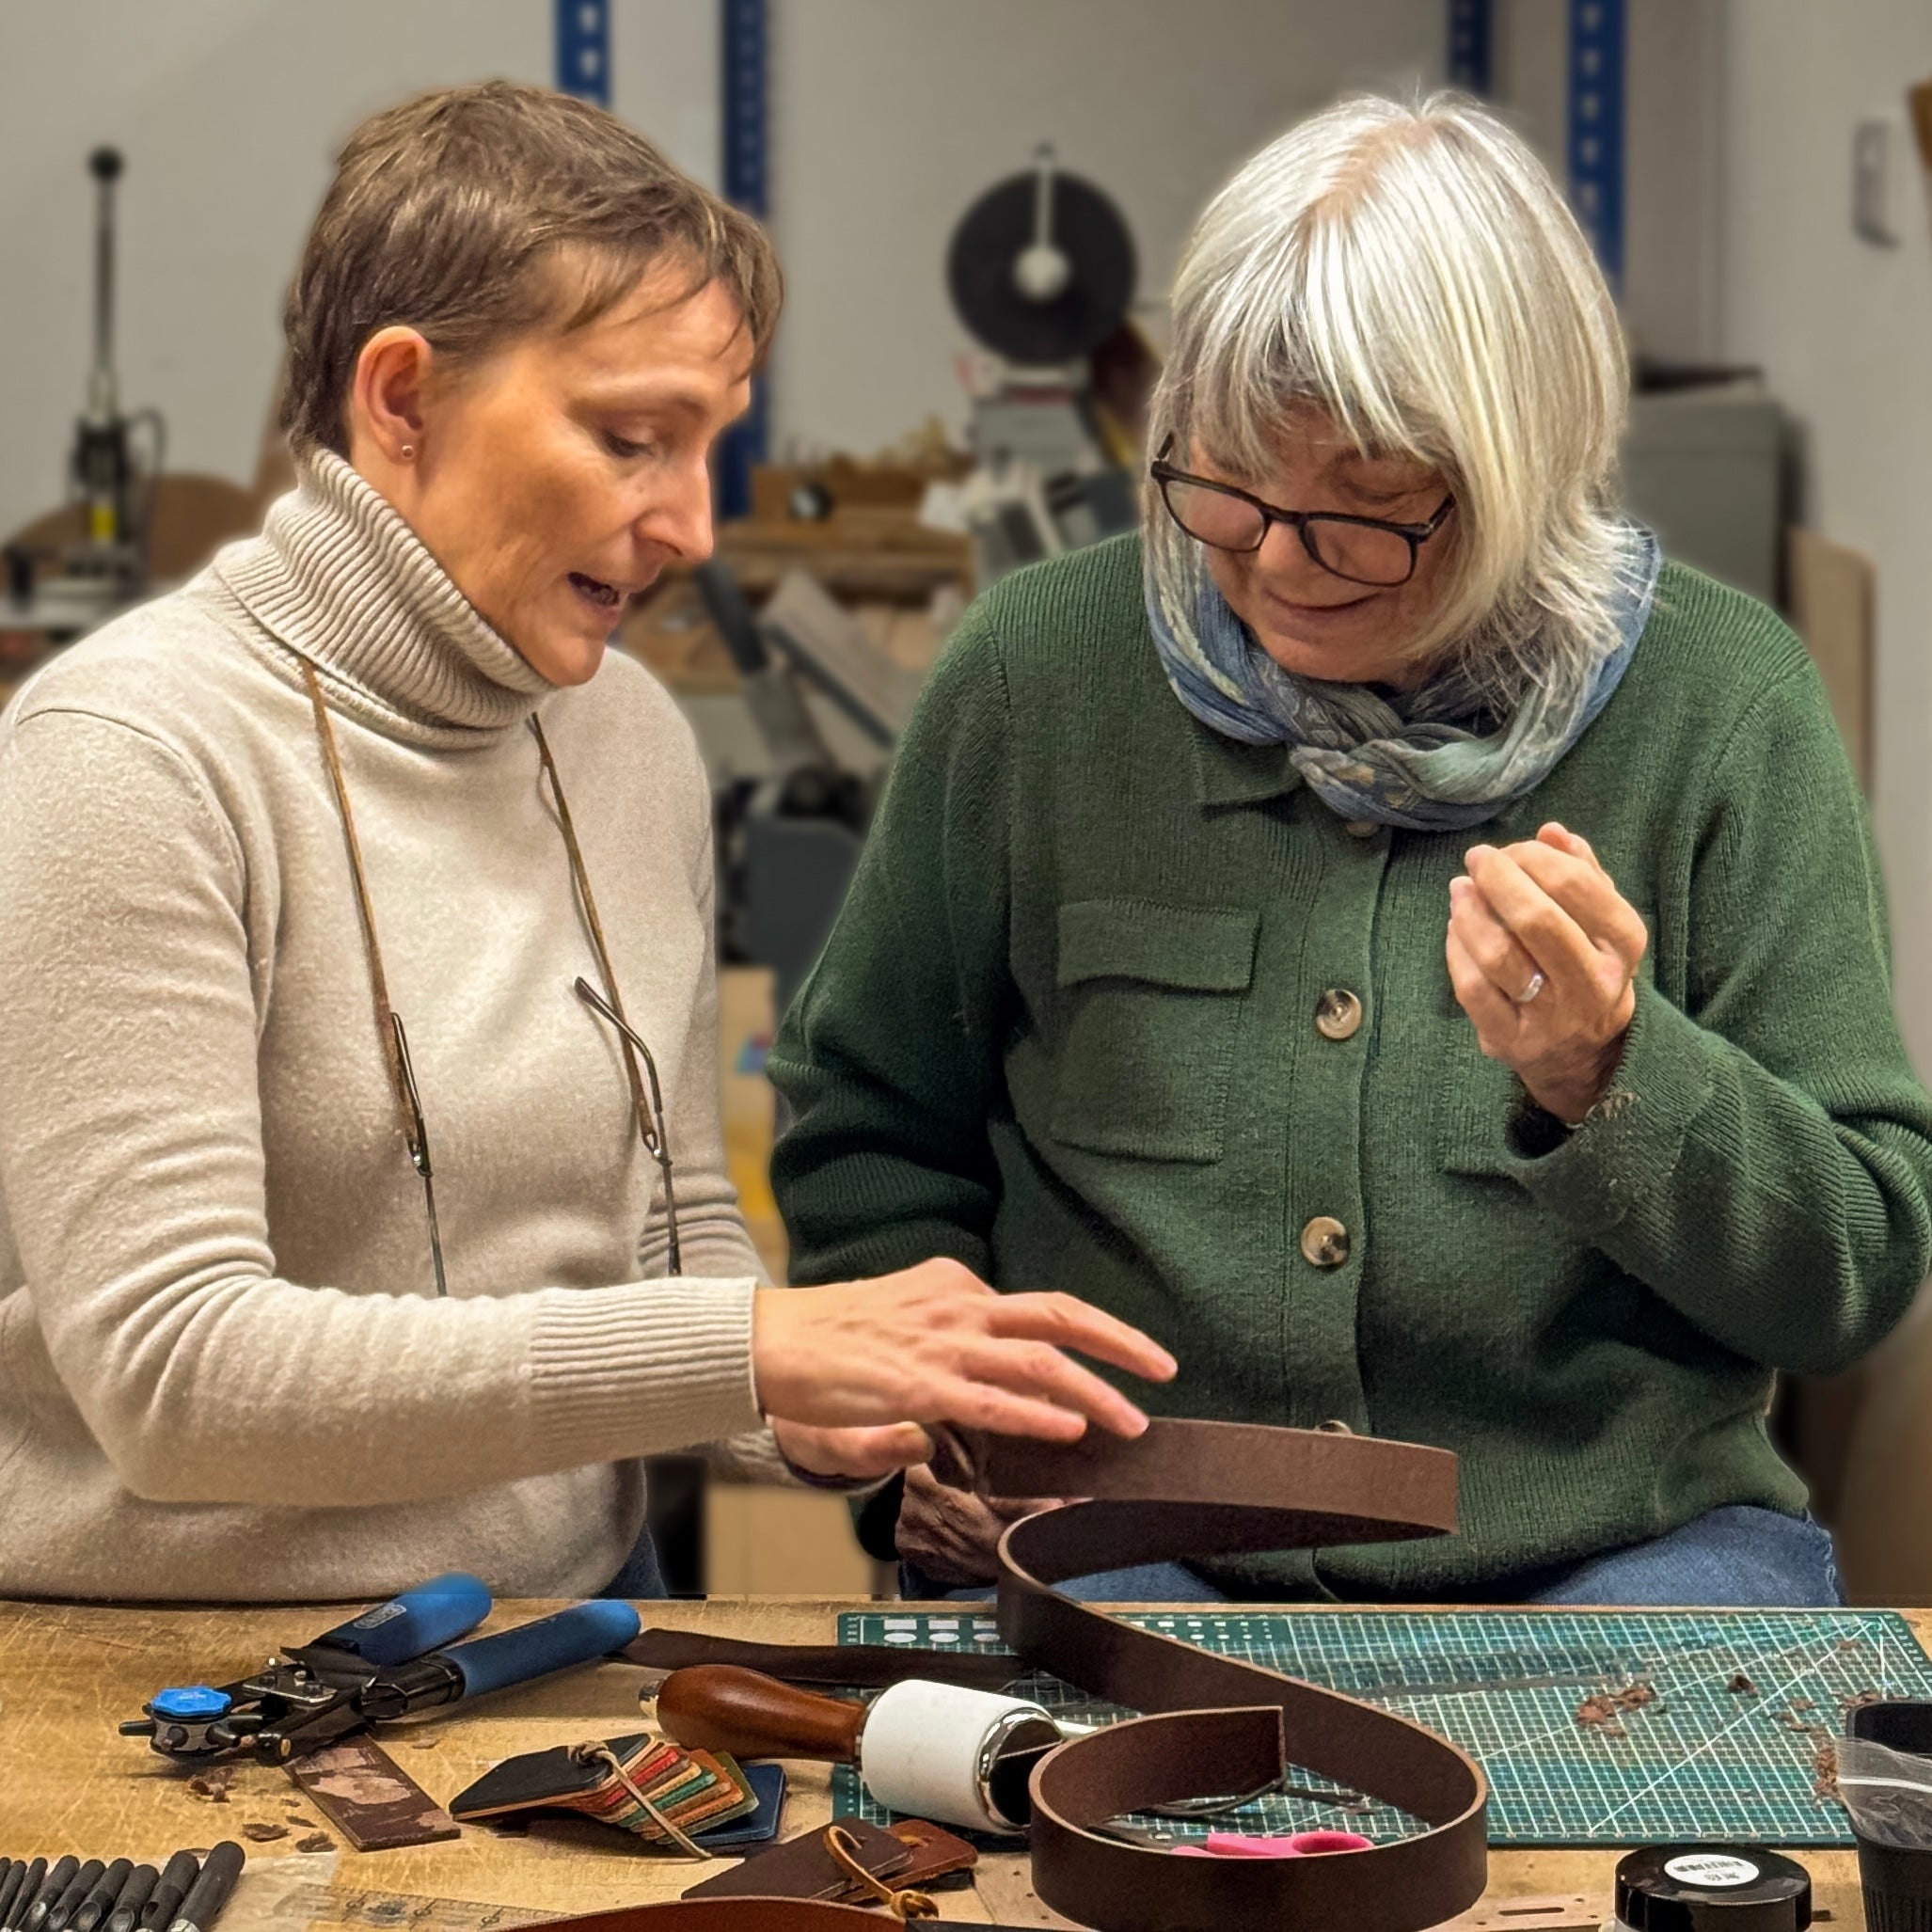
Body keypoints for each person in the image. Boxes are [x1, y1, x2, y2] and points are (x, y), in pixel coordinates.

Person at [0, 82, 1174, 1604]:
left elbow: (668, 1230)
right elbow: (171, 1375)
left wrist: (816, 1411)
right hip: (156, 1680)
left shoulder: (625, 738)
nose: (692, 523)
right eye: (633, 439)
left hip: (559, 1633)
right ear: (403, 399)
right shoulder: (132, 759)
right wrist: (746, 1350)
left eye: (708, 447)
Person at [769, 93, 1932, 1607]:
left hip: (1620, 1556)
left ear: (1519, 473)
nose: (1270, 564)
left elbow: (1847, 1270)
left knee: (1654, 1852)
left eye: (1362, 518)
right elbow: (870, 1123)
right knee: (1081, 1825)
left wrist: (1615, 1076)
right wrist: (938, 1418)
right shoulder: (1034, 675)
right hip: (1131, 1543)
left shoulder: (1723, 711)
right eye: (1225, 491)